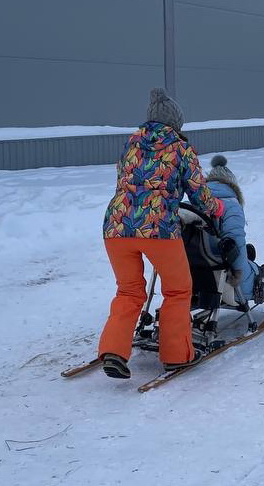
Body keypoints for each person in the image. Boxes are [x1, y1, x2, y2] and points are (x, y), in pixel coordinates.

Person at [98, 87, 225, 379]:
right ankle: (176, 354)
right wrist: (216, 208)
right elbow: (199, 194)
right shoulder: (180, 148)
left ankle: (114, 351)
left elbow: (125, 181)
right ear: (175, 123)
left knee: (129, 291)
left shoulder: (131, 143)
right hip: (158, 230)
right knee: (178, 289)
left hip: (116, 227)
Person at [203, 155, 264, 306]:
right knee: (257, 269)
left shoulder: (192, 203)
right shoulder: (231, 206)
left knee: (246, 252)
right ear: (232, 186)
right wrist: (244, 279)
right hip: (224, 279)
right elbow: (235, 245)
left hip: (196, 273)